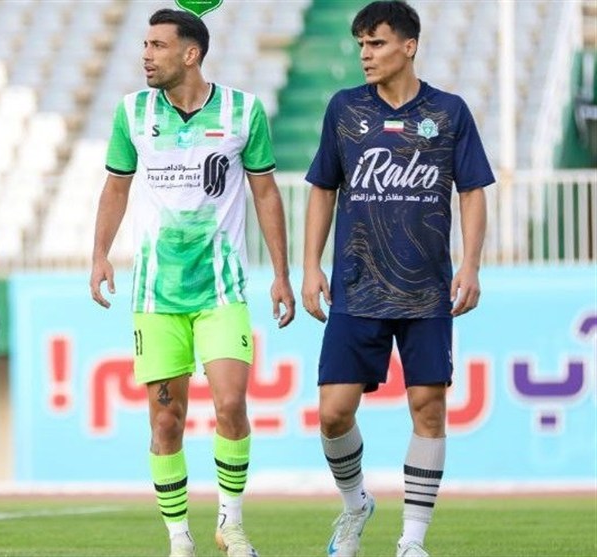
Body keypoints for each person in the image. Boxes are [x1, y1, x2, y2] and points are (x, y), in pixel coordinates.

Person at [90, 8, 295, 557]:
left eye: (157, 45)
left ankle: (231, 523)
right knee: (166, 420)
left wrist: (281, 273)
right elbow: (116, 187)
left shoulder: (243, 111)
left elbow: (265, 191)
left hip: (222, 290)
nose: (145, 55)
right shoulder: (132, 112)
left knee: (230, 405)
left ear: (191, 53)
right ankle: (179, 537)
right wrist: (100, 255)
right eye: (144, 44)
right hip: (156, 296)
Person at [301, 2, 493, 557]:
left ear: (409, 46)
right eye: (361, 44)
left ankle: (412, 541)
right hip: (356, 284)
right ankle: (355, 503)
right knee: (333, 411)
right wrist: (310, 265)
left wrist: (471, 264)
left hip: (426, 290)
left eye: (377, 43)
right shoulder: (344, 110)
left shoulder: (449, 112)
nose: (365, 54)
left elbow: (472, 191)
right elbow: (323, 188)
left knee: (429, 406)